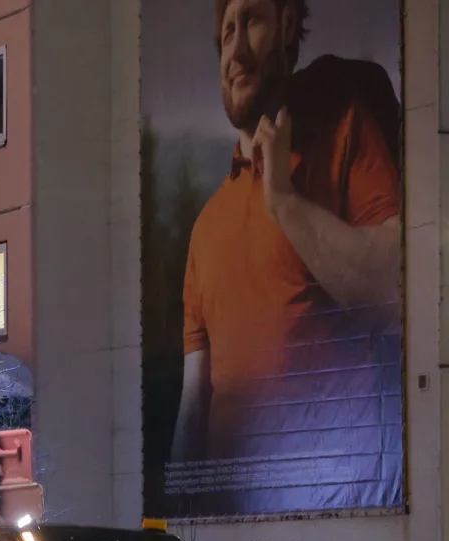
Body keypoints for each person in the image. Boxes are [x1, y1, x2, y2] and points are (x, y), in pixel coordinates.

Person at [171, 0, 401, 466]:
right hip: (228, 526)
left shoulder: (345, 130)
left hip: (345, 506)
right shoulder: (206, 226)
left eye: (252, 20)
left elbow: (396, 289)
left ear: (288, 26)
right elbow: (193, 406)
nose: (235, 51)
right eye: (226, 33)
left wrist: (283, 201)